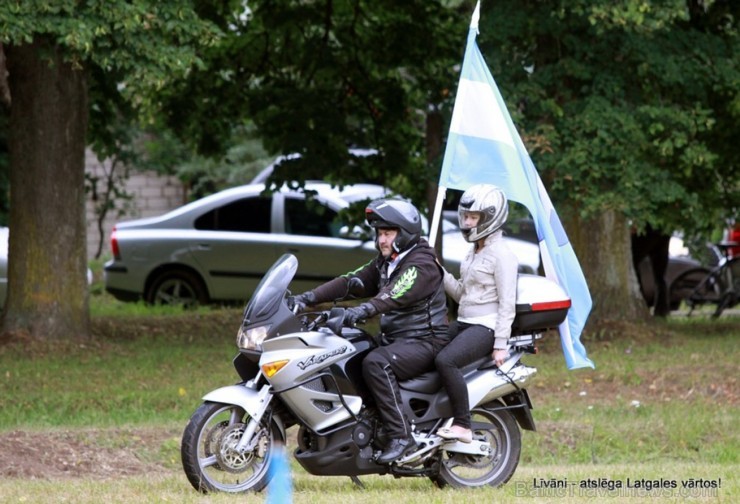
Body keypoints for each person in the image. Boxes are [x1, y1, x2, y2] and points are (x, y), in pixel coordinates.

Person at [290, 198, 449, 464]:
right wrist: (306, 298)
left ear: (405, 233)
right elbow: (352, 282)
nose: (381, 240)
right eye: (379, 234)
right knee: (353, 352)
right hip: (399, 340)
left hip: (426, 341)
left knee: (376, 363)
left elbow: (392, 295)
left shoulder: (421, 264)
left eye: (387, 233)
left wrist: (359, 312)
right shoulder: (387, 262)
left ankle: (401, 437)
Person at [434, 184, 518, 443]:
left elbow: (507, 303)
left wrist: (501, 344)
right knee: (425, 345)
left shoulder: (502, 255)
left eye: (473, 218)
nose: (467, 223)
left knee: (446, 360)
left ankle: (463, 425)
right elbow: (462, 296)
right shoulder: (472, 253)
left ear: (491, 218)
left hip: (486, 327)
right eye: (466, 217)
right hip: (465, 321)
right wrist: (438, 269)